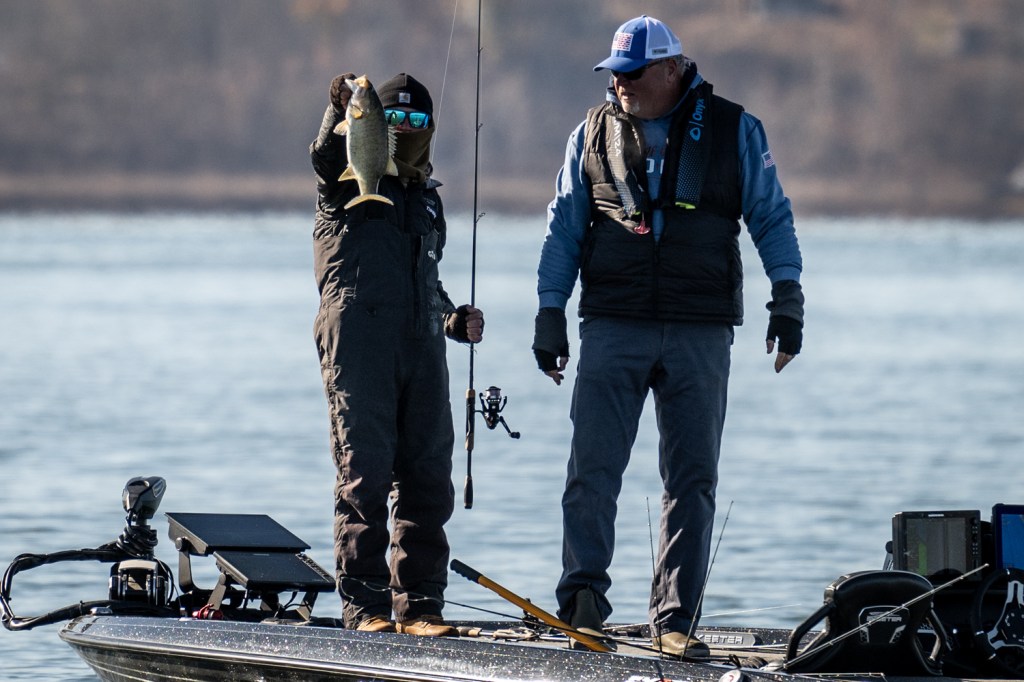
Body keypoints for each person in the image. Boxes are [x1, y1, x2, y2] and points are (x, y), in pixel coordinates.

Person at [533, 16, 804, 658]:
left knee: (692, 478)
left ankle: (675, 619)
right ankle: (582, 602)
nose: (620, 85)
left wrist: (787, 300)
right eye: (614, 74)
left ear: (671, 69)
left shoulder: (736, 129)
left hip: (699, 329)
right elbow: (563, 227)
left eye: (632, 73)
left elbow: (771, 216)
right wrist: (549, 312)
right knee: (592, 470)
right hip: (612, 324)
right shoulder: (588, 134)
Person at [310, 72, 483, 637]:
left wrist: (453, 317)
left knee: (428, 475)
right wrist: (338, 107)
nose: (406, 128)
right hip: (358, 342)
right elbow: (324, 156)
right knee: (365, 472)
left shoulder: (429, 201)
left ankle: (420, 608)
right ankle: (365, 609)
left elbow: (428, 281)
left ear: (430, 128)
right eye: (396, 118)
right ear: (376, 125)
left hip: (421, 346)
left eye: (417, 119)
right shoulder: (344, 182)